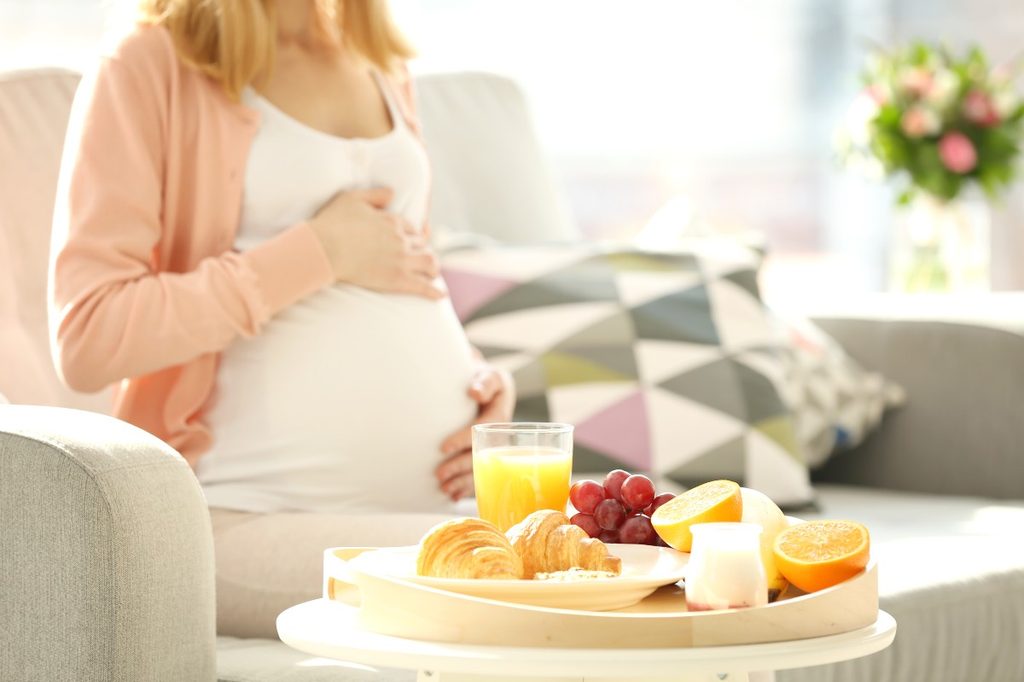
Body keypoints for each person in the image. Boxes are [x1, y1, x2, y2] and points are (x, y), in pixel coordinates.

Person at [49, 0, 514, 638]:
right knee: (519, 582)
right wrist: (317, 253)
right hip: (240, 515)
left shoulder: (378, 58)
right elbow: (89, 335)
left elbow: (400, 274)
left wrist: (481, 389)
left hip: (437, 503)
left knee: (644, 555)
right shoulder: (149, 61)